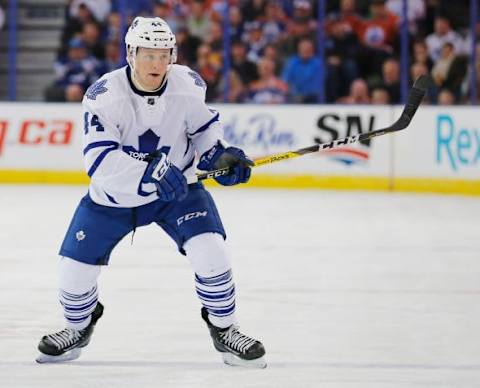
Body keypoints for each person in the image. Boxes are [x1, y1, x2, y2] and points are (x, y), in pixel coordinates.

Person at [36, 16, 266, 369]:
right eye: (148, 55)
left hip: (180, 191)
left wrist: (218, 154)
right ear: (130, 53)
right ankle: (77, 326)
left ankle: (225, 328)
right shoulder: (104, 95)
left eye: (164, 54)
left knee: (212, 252)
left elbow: (203, 129)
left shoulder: (187, 84)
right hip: (115, 198)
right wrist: (150, 173)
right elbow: (99, 161)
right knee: (73, 272)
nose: (157, 64)